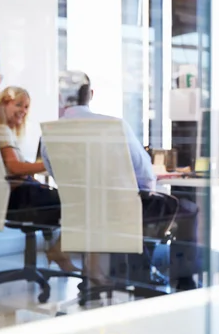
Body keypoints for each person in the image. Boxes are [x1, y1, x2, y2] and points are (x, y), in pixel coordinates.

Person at [42, 71, 198, 288]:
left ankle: (132, 270)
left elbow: (54, 173)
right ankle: (182, 283)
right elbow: (145, 174)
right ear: (91, 94)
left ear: (61, 97)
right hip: (122, 211)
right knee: (187, 209)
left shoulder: (50, 132)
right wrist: (142, 193)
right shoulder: (113, 125)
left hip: (81, 210)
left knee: (144, 211)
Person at [0, 86, 79, 272]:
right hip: (21, 200)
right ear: (4, 104)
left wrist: (34, 167)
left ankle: (58, 250)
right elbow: (14, 167)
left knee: (62, 198)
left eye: (26, 107)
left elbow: (11, 167)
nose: (23, 111)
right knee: (78, 202)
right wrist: (49, 164)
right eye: (19, 105)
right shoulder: (2, 130)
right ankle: (58, 251)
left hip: (11, 198)